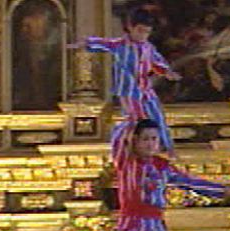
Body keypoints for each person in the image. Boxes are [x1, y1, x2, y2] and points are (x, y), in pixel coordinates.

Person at [70, 8, 182, 157]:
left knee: (158, 116)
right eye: (140, 31)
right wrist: (87, 43)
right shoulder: (121, 45)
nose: (143, 35)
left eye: (147, 32)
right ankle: (136, 147)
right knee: (138, 118)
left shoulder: (149, 48)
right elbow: (105, 44)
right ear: (130, 28)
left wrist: (167, 72)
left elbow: (157, 62)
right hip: (129, 91)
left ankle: (167, 146)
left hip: (145, 89)